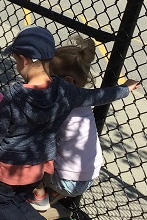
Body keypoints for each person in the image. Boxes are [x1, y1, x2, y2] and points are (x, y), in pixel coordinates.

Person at [0, 25, 140, 220]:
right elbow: (99, 96)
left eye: (16, 61)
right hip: (36, 169)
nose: (16, 66)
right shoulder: (66, 91)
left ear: (24, 60)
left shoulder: (15, 95)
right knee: (15, 198)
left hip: (9, 167)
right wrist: (126, 89)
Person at [34, 35, 103, 203]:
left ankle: (39, 193)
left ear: (67, 81)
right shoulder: (83, 103)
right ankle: (56, 193)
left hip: (66, 180)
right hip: (89, 177)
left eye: (49, 78)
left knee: (30, 147)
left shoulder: (59, 105)